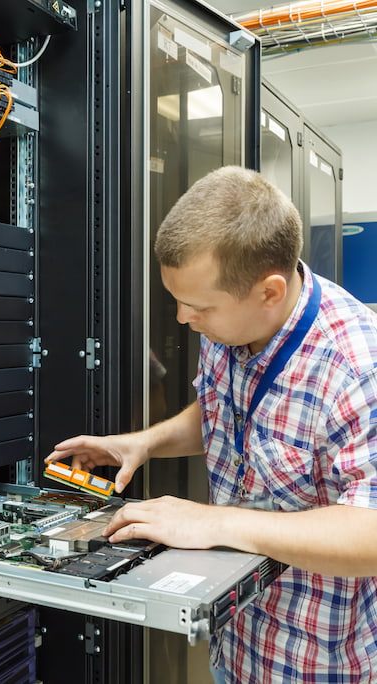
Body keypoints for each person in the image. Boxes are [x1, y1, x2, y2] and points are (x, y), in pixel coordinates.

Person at [46, 166, 377, 683]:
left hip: (313, 660)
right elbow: (223, 412)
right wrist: (143, 443)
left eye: (196, 306)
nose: (182, 318)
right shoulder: (228, 321)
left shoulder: (357, 365)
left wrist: (212, 521)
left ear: (269, 291)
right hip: (235, 640)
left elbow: (371, 533)